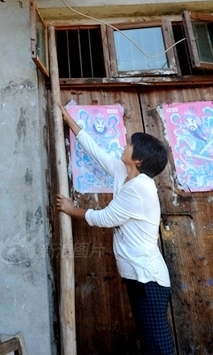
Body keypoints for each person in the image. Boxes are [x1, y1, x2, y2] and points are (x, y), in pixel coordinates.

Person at [56, 104, 174, 355]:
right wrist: (69, 121)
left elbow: (105, 218)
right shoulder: (125, 173)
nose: (125, 145)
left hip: (148, 279)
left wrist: (70, 208)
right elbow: (98, 153)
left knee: (158, 347)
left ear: (138, 159)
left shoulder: (141, 187)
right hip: (139, 276)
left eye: (130, 145)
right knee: (150, 342)